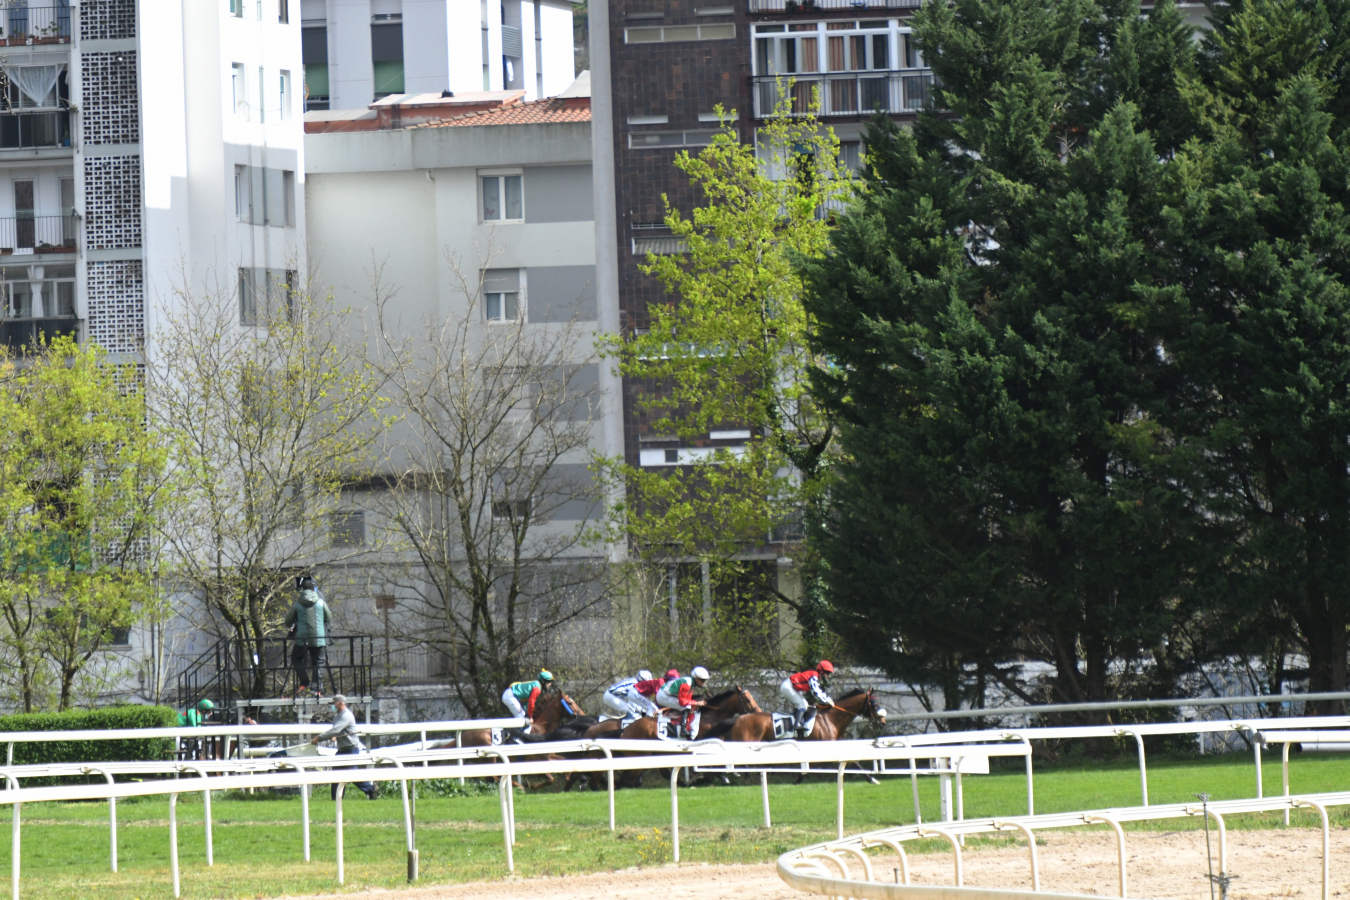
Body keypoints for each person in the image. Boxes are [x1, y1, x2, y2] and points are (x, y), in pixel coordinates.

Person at [310, 694, 377, 800]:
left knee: (351, 774)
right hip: (342, 749)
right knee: (337, 774)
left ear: (340, 703)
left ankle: (370, 789)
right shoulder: (338, 715)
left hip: (350, 749)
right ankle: (336, 798)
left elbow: (335, 730)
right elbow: (338, 731)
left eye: (334, 704)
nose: (333, 706)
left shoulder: (346, 715)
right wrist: (335, 736)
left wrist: (318, 738)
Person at [285, 575, 331, 696]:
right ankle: (316, 688)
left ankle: (304, 681)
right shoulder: (321, 602)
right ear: (313, 589)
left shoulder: (297, 604)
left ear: (302, 590)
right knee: (319, 662)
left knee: (296, 658)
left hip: (302, 639)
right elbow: (328, 617)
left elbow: (288, 621)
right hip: (319, 638)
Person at [780, 659, 835, 737]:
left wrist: (827, 699)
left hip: (791, 687)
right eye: (827, 673)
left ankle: (798, 722)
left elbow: (818, 690)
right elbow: (816, 692)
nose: (827, 676)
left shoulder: (815, 677)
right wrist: (828, 700)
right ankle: (797, 725)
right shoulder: (814, 676)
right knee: (802, 704)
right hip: (788, 686)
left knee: (804, 704)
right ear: (822, 671)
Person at [655, 666, 709, 739]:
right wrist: (697, 703)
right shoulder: (687, 683)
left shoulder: (691, 683)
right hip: (663, 696)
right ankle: (683, 730)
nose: (703, 683)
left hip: (667, 695)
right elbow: (683, 702)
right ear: (696, 678)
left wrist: (694, 703)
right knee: (686, 706)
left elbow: (688, 699)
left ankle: (685, 725)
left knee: (690, 706)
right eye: (702, 680)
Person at [501, 670, 554, 736]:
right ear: (543, 681)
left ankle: (514, 734)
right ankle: (519, 737)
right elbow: (531, 702)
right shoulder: (537, 688)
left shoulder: (536, 684)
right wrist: (530, 716)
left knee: (523, 717)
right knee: (525, 721)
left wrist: (528, 714)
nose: (550, 684)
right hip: (510, 696)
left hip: (509, 695)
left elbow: (529, 702)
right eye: (549, 682)